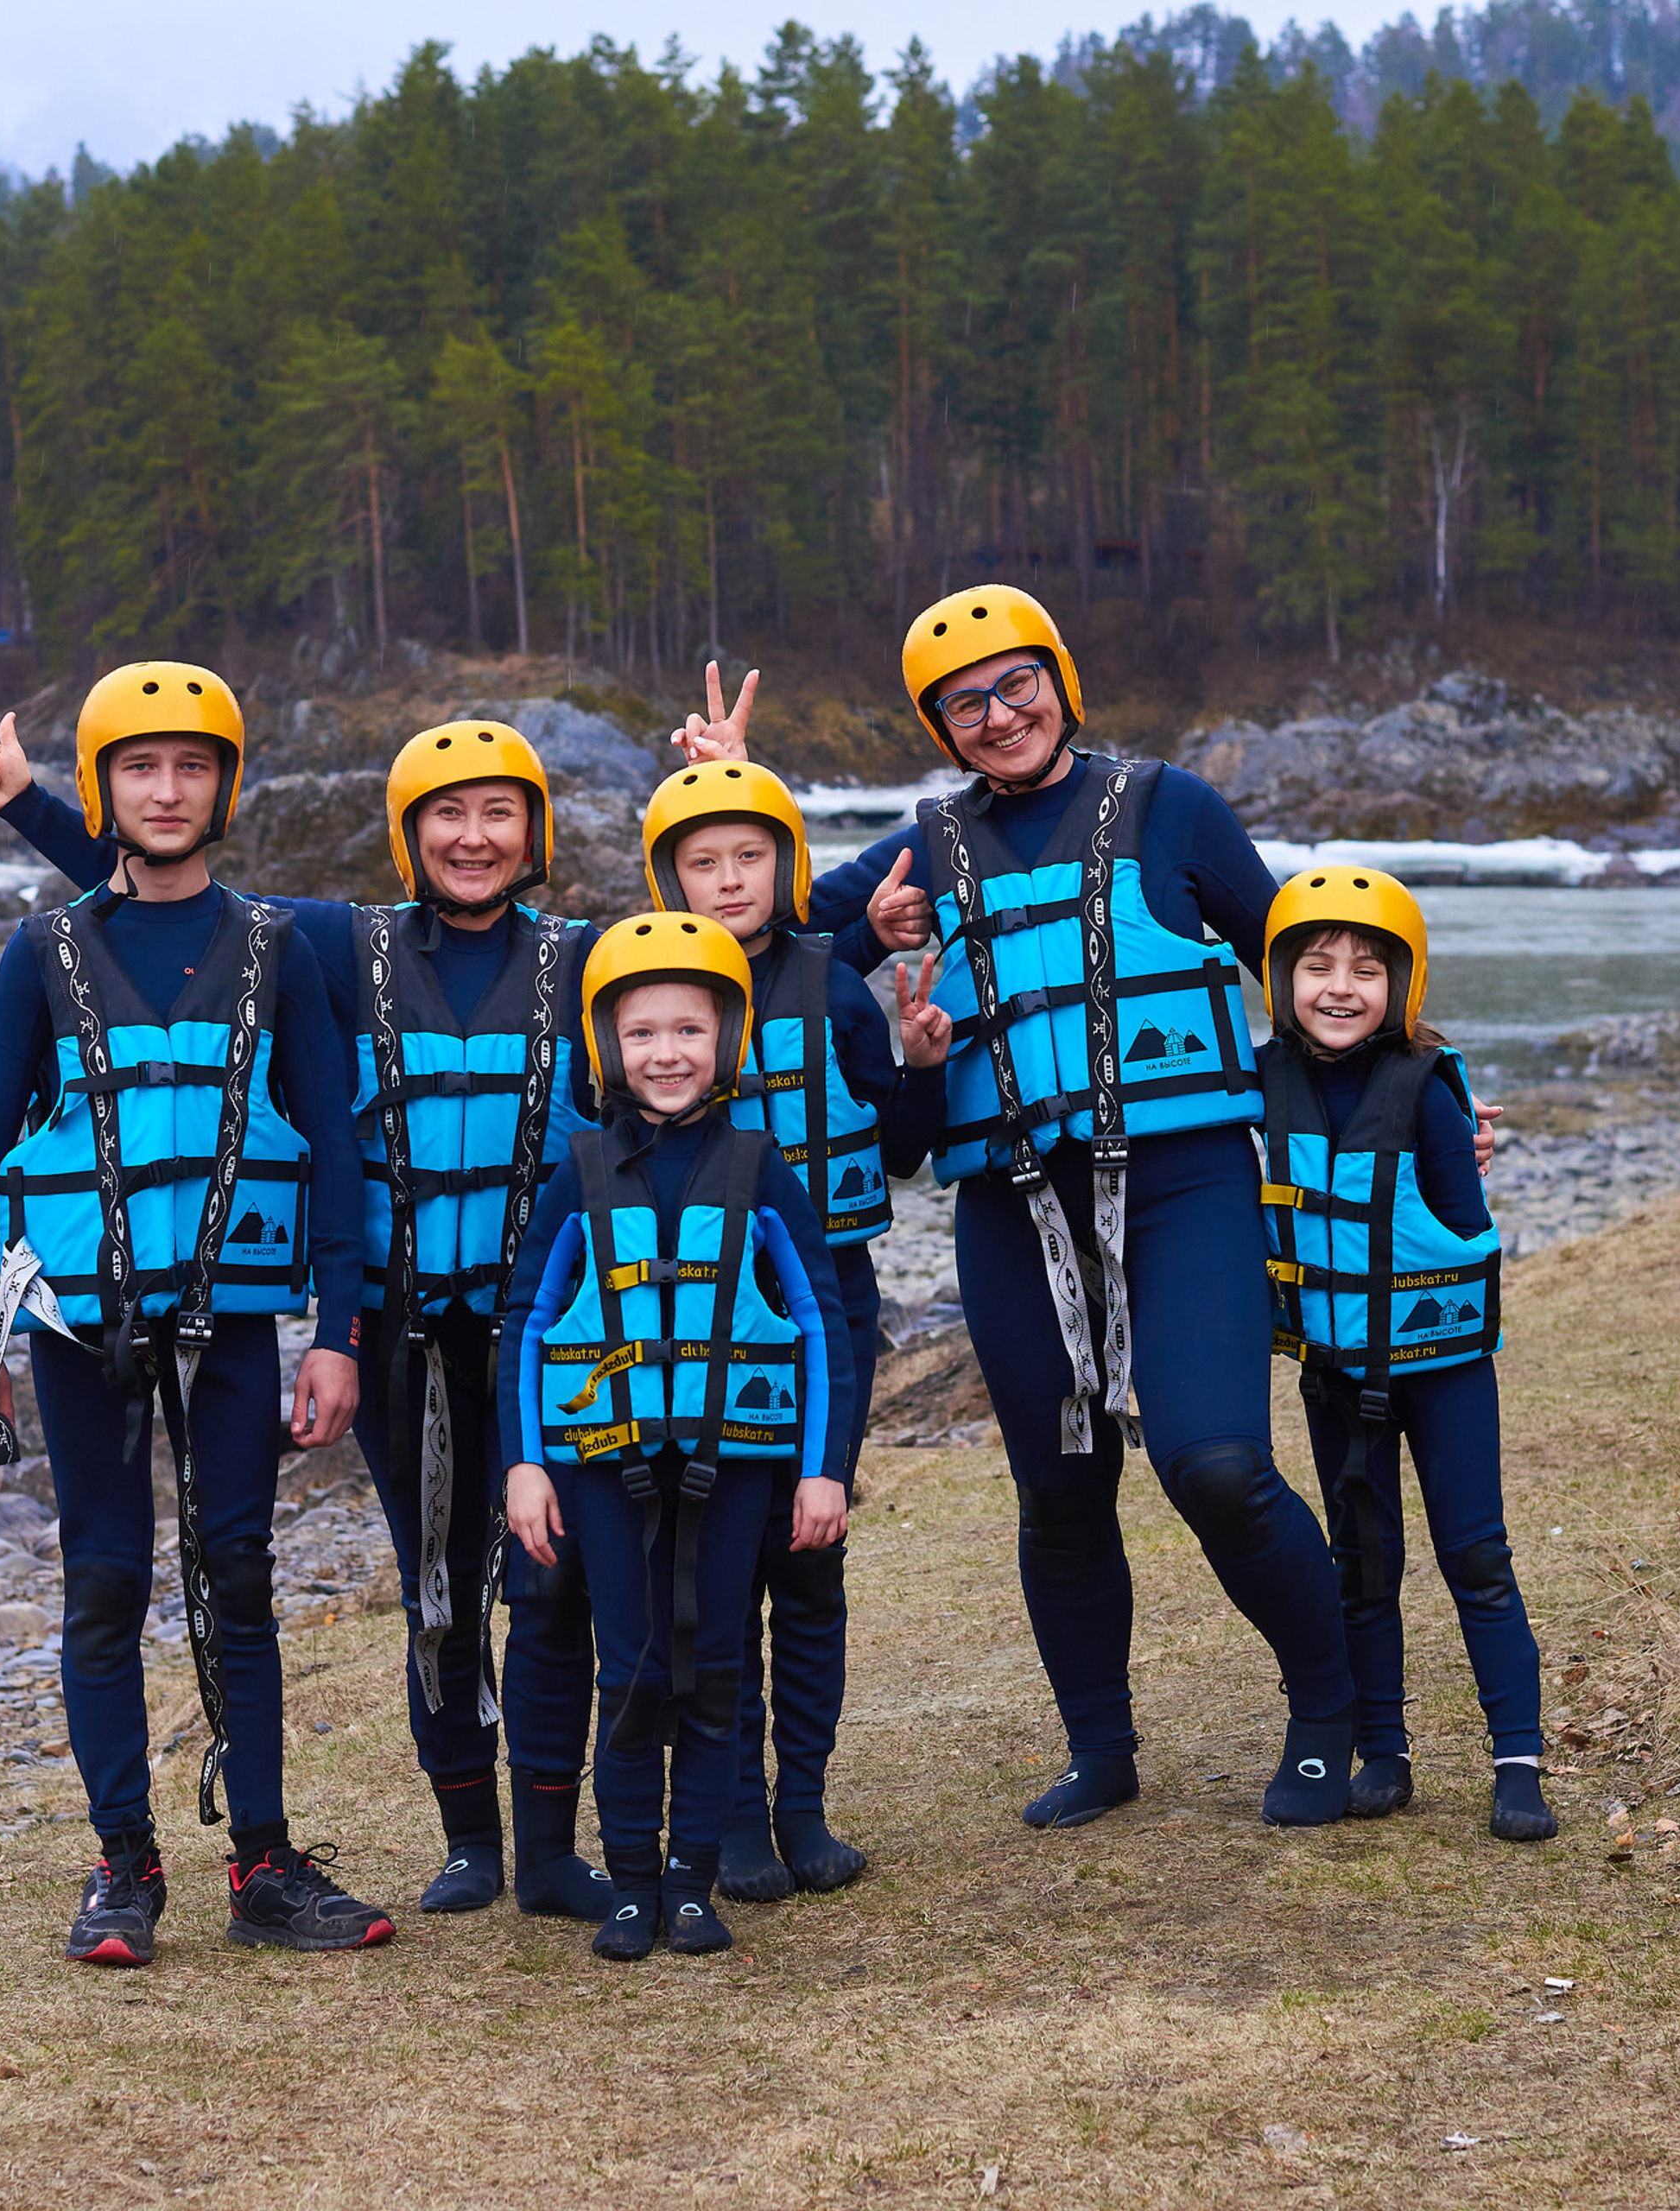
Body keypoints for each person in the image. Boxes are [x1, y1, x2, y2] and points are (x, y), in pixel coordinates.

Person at [673, 595, 1493, 1828]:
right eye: (966, 702)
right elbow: (753, 927)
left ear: (1061, 681)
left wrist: (1424, 1093)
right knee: (1060, 1489)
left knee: (1213, 1462)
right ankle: (1101, 1750)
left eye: (1017, 686)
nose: (998, 716)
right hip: (1015, 1208)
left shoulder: (1175, 811)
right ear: (939, 726)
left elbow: (1322, 969)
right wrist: (738, 797)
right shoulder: (923, 851)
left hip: (1185, 1186)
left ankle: (1337, 1718)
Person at [0, 712, 612, 1921]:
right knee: (426, 1586)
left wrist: (730, 793)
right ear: (407, 838)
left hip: (535, 1322)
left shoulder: (585, 953)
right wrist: (31, 805)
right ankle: (430, 1844)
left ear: (539, 831)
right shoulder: (337, 946)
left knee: (552, 1581)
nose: (474, 837)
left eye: (498, 812)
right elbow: (161, 886)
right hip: (375, 1328)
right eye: (446, 816)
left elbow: (728, 932)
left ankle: (547, 1847)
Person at [0, 662, 395, 1962]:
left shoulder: (281, 951)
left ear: (226, 786)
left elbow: (338, 1153)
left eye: (192, 765)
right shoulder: (42, 956)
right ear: (103, 789)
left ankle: (263, 1864)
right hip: (81, 1331)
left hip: (239, 1324)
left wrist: (340, 1335)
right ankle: (124, 1865)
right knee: (104, 1586)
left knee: (237, 1576)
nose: (167, 788)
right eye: (139, 767)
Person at [500, 915, 857, 1959]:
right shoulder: (579, 1170)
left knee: (711, 1668)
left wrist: (822, 1472)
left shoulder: (761, 1169)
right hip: (601, 1466)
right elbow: (525, 1318)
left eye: (690, 1030)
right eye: (643, 1031)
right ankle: (632, 1886)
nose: (667, 1052)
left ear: (727, 1039)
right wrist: (526, 1461)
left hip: (739, 1465)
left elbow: (820, 1319)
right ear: (608, 1048)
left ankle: (693, 1885)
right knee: (632, 1672)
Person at [639, 759, 948, 1899]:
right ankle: (729, 1819)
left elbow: (905, 1151)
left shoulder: (838, 982)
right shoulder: (652, 991)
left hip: (832, 1314)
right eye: (703, 861)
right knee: (711, 1575)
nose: (728, 880)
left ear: (788, 864)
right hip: (693, 1315)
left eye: (750, 856)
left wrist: (921, 1068)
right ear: (669, 877)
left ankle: (804, 1807)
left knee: (807, 1561)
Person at [1257, 866, 1555, 1842]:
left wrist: (1465, 1147)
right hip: (1337, 1373)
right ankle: (1382, 1754)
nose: (1340, 987)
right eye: (1316, 966)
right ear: (1279, 977)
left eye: (1367, 970)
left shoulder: (1428, 1093)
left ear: (1403, 985)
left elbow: (1459, 1223)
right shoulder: (1259, 1084)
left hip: (1441, 1370)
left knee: (1476, 1557)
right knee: (1361, 1566)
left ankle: (1517, 1761)